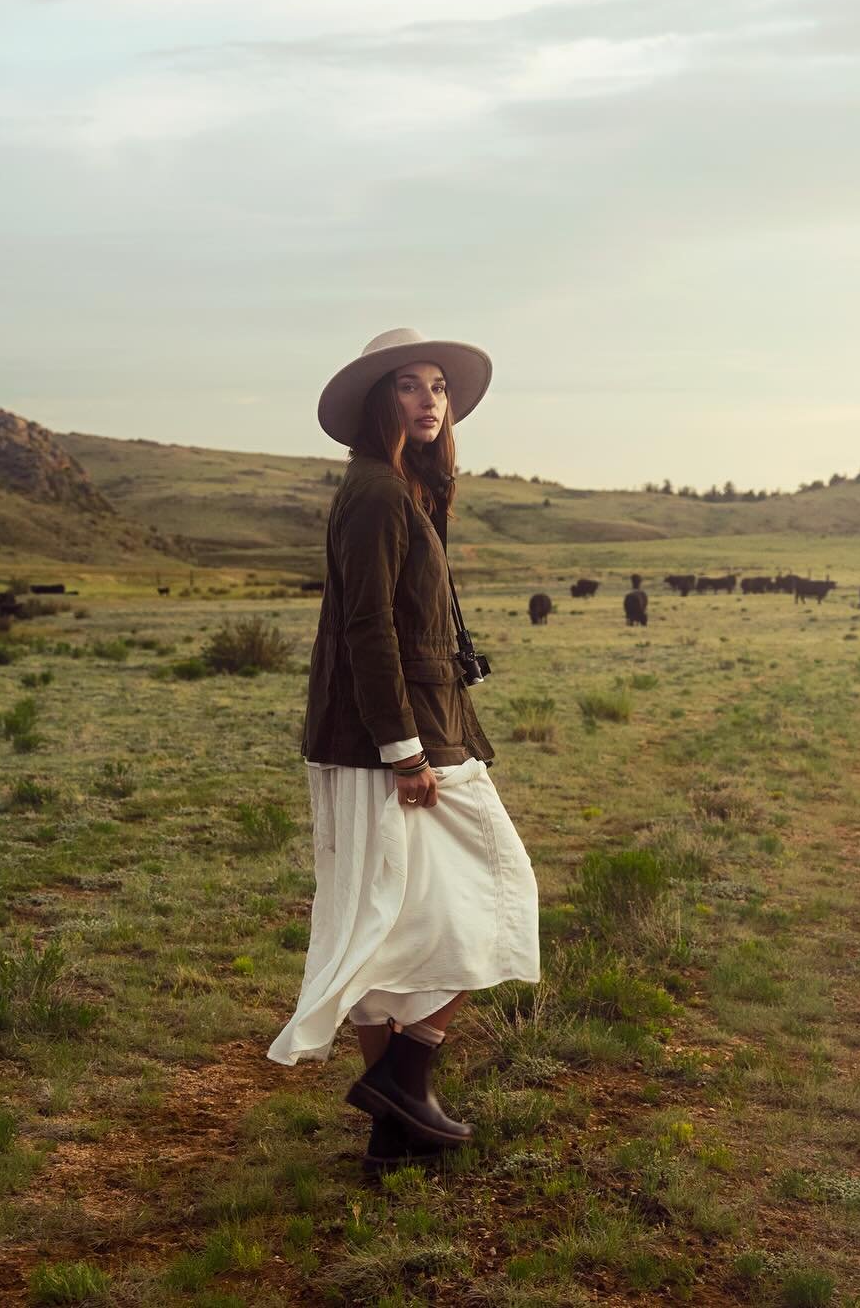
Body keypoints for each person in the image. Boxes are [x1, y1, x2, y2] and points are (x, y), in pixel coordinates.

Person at [266, 327, 541, 1174]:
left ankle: (395, 1125)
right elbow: (368, 631)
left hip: (404, 730)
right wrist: (405, 752)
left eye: (439, 388)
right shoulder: (380, 493)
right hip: (394, 739)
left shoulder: (405, 490)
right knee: (495, 893)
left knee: (387, 916)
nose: (431, 400)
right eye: (411, 387)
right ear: (379, 402)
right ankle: (407, 1082)